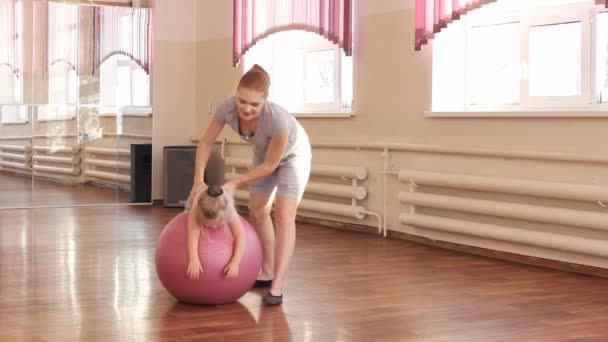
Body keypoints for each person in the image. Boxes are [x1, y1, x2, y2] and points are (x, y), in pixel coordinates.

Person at [188, 64, 312, 305]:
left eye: (254, 104)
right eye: (242, 101)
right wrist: (198, 181)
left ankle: (277, 286)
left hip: (293, 157)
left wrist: (234, 184)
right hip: (262, 155)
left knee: (285, 215)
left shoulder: (278, 121)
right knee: (257, 211)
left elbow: (272, 164)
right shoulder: (226, 109)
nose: (247, 108)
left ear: (265, 101)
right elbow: (205, 143)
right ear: (236, 93)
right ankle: (266, 272)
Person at [186, 185, 245, 280]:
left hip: (222, 200)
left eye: (218, 223)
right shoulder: (196, 210)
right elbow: (193, 233)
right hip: (197, 198)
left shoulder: (228, 210)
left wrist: (235, 261)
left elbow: (240, 235)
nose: (213, 227)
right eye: (207, 225)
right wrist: (194, 259)